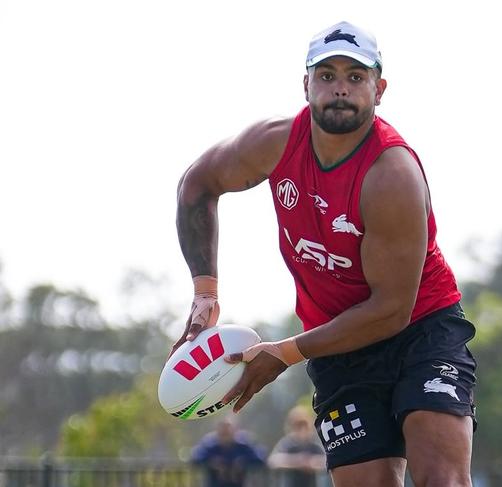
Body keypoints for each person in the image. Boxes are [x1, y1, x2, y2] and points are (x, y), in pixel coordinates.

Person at [173, 20, 478, 487]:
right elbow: (197, 184)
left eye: (356, 78)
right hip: (339, 347)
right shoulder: (273, 143)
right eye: (328, 75)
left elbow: (391, 311)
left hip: (421, 331)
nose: (341, 89)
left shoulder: (391, 173)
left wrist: (286, 352)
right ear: (306, 84)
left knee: (441, 478)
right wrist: (204, 292)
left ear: (379, 89)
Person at [189, 415, 266, 487]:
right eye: (222, 428)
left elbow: (261, 458)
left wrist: (243, 462)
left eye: (228, 428)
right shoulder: (209, 444)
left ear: (235, 429)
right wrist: (212, 463)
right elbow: (195, 458)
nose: (225, 431)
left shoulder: (244, 444)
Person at [267, 405, 326, 487]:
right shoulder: (287, 444)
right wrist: (297, 461)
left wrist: (311, 463)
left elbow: (326, 462)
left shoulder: (314, 445)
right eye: (298, 425)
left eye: (303, 425)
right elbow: (273, 461)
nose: (301, 429)